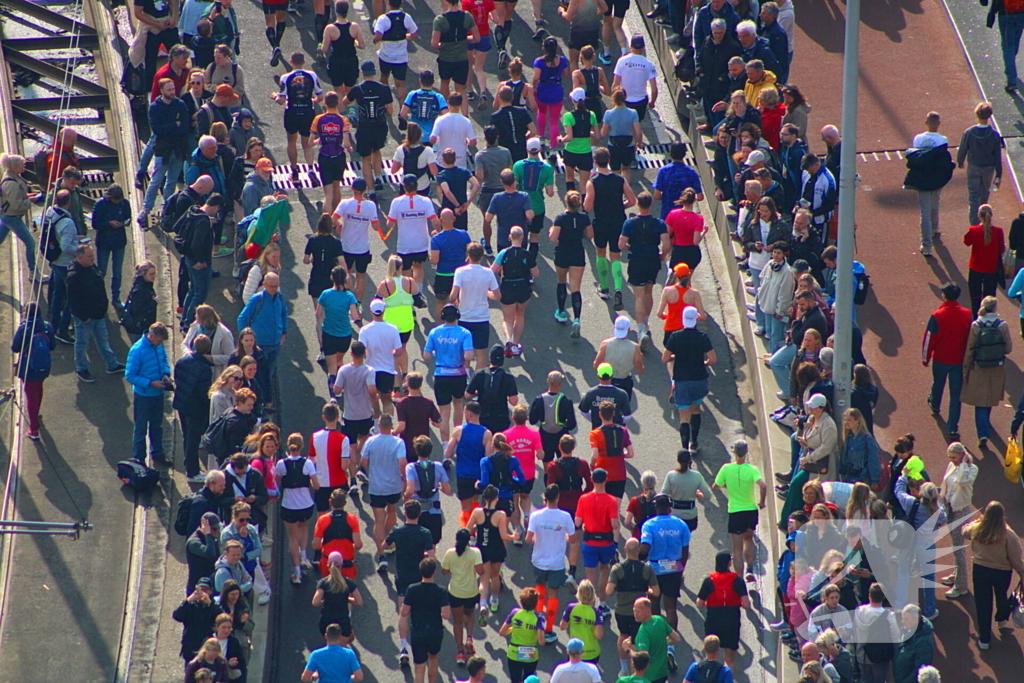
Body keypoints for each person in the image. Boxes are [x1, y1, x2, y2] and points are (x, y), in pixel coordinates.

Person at [963, 500, 1024, 649]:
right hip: (1001, 572)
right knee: (1002, 596)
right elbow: (1015, 558)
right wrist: (1022, 573)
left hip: (980, 570)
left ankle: (984, 639)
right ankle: (1002, 619)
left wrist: (976, 521)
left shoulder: (978, 529)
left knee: (983, 604)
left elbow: (965, 531)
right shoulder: (1008, 534)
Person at [526, 484, 578, 644]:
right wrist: (563, 537)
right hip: (556, 562)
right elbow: (573, 539)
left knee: (539, 589)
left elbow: (528, 539)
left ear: (544, 498)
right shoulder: (565, 516)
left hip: (538, 560)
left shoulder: (536, 515)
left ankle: (538, 623)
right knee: (553, 594)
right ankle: (548, 630)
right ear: (558, 498)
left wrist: (538, 539)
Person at [65, 243, 125, 383]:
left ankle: (112, 364)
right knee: (82, 344)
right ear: (80, 258)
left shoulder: (91, 267)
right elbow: (73, 301)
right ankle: (81, 368)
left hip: (98, 314)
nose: (93, 258)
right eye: (90, 256)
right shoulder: (74, 276)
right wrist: (84, 317)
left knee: (103, 340)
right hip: (86, 318)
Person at [922, 281, 972, 441]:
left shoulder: (937, 316)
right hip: (958, 359)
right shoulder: (967, 314)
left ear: (944, 296)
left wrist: (926, 358)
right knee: (956, 395)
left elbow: (929, 339)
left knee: (938, 383)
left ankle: (935, 404)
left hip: (941, 358)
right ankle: (953, 427)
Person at [584, 148, 634, 307]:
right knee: (616, 256)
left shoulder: (592, 182)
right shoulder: (620, 180)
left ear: (595, 162)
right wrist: (621, 206)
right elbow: (632, 201)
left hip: (601, 222)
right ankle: (618, 287)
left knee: (600, 253)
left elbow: (587, 207)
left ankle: (604, 287)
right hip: (618, 220)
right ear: (609, 160)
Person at [662, 306, 715, 451]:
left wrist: (675, 356)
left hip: (682, 381)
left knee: (684, 417)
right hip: (699, 380)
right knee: (696, 409)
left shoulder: (675, 336)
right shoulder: (702, 337)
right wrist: (704, 363)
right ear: (696, 319)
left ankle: (685, 450)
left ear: (683, 319)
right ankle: (695, 443)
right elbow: (712, 359)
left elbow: (665, 358)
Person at [713, 440, 766, 582]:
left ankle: (740, 580)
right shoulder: (752, 469)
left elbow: (715, 486)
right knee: (749, 539)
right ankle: (750, 569)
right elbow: (763, 485)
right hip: (750, 510)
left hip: (735, 511)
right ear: (746, 452)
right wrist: (762, 502)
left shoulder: (726, 468)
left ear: (734, 452)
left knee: (736, 549)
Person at [962, 296, 1011, 448]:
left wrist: (966, 368)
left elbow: (970, 349)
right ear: (995, 308)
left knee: (980, 401)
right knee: (990, 396)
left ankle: (982, 432)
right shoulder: (1002, 325)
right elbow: (1008, 349)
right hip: (996, 366)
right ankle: (986, 424)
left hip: (979, 366)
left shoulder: (976, 325)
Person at [620, 191, 670, 339]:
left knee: (639, 296)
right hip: (652, 259)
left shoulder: (629, 223)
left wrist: (631, 247)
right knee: (649, 291)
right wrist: (662, 255)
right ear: (651, 204)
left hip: (637, 259)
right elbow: (666, 244)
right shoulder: (659, 223)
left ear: (637, 204)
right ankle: (647, 323)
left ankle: (641, 329)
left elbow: (621, 244)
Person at [605, 538, 659, 675]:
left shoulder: (617, 568)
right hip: (640, 611)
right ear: (639, 550)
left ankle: (623, 668)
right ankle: (636, 669)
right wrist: (648, 591)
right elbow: (656, 592)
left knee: (623, 636)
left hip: (621, 610)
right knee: (637, 640)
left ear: (625, 550)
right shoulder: (647, 568)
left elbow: (608, 591)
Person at [905, 111, 955, 257]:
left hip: (921, 179)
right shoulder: (942, 140)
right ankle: (934, 228)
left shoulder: (918, 139)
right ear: (938, 124)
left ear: (925, 123)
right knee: (935, 202)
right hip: (937, 178)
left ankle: (926, 245)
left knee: (924, 211)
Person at [361, 413, 406, 568]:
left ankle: (381, 555)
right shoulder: (399, 442)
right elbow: (402, 463)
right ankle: (389, 541)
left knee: (378, 520)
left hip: (376, 487)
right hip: (394, 485)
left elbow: (364, 462)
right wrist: (405, 478)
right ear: (391, 426)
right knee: (392, 511)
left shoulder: (371, 441)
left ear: (379, 426)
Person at [388, 176, 441, 306]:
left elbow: (390, 223)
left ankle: (409, 298)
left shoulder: (397, 202)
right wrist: (438, 232)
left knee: (406, 271)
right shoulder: (425, 200)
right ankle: (419, 293)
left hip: (404, 244)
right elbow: (435, 220)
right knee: (418, 266)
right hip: (421, 243)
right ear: (417, 186)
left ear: (404, 186)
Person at [276, 433, 321, 585]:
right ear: (302, 446)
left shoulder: (281, 464)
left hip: (289, 506)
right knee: (304, 527)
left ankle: (296, 572)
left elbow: (277, 484)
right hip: (306, 505)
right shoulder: (308, 463)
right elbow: (316, 485)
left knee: (292, 537)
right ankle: (304, 555)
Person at [343, 61, 395, 194]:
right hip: (380, 125)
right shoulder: (384, 88)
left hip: (364, 127)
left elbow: (345, 102)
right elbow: (390, 111)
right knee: (376, 150)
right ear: (374, 71)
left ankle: (371, 190)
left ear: (362, 73)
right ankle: (378, 177)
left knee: (365, 158)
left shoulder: (357, 89)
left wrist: (353, 110)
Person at [575, 468, 620, 615]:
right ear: (606, 479)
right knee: (604, 570)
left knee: (590, 576)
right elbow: (615, 525)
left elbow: (578, 522)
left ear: (592, 480)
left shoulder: (584, 498)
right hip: (606, 543)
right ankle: (602, 603)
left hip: (589, 542)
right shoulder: (611, 501)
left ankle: (589, 605)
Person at [468, 482, 516, 613]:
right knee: (495, 576)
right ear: (497, 498)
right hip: (496, 549)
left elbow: (467, 529)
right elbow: (503, 535)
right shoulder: (500, 514)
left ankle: (483, 604)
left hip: (482, 549)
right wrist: (514, 536)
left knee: (484, 578)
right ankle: (494, 601)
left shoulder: (477, 512)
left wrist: (476, 527)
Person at [400, 557, 451, 683]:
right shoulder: (441, 591)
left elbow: (404, 612)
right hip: (435, 631)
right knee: (433, 658)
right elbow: (446, 615)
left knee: (419, 667)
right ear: (434, 572)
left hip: (418, 631)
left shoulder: (412, 589)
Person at [696, 551, 750, 669]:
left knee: (711, 657)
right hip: (732, 620)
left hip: (713, 620)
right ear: (729, 564)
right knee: (729, 659)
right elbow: (747, 604)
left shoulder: (709, 580)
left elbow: (699, 604)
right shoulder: (737, 580)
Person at [550, 190, 592, 337]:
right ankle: (577, 319)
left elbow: (553, 238)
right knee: (576, 288)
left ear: (566, 202)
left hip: (562, 252)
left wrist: (551, 230)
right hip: (577, 252)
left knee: (561, 281)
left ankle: (561, 311)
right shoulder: (584, 218)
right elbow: (590, 235)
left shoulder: (560, 218)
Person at [452, 242, 501, 369]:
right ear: (482, 256)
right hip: (482, 318)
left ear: (468, 255)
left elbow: (453, 295)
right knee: (481, 354)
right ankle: (478, 382)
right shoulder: (488, 273)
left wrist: (455, 301)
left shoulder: (460, 272)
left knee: (464, 352)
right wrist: (486, 292)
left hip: (464, 317)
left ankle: (465, 377)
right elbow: (497, 296)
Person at [491, 226, 537, 356]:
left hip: (507, 287)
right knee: (520, 316)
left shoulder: (504, 253)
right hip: (523, 287)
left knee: (507, 319)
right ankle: (516, 345)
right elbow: (536, 273)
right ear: (522, 238)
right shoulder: (527, 255)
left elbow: (492, 270)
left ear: (510, 237)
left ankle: (508, 340)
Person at [175, 334, 215, 479]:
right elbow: (204, 393)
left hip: (181, 403)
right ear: (208, 349)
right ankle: (192, 471)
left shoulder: (182, 361)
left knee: (187, 436)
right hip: (195, 409)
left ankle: (189, 465)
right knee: (193, 440)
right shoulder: (205, 368)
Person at [441, 527, 483, 663]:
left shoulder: (450, 553)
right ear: (468, 541)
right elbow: (481, 571)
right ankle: (469, 638)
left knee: (457, 621)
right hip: (471, 592)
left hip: (455, 592)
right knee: (470, 614)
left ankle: (460, 652)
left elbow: (444, 571)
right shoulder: (475, 552)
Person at [957, 102, 1004, 224]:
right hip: (988, 168)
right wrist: (999, 175)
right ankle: (984, 222)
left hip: (973, 167)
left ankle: (974, 225)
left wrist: (960, 161)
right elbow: (997, 156)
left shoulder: (969, 132)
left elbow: (963, 149)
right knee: (984, 195)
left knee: (973, 197)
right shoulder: (994, 134)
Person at [318, 266, 360, 397]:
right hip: (344, 336)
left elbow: (318, 313)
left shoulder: (325, 294)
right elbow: (355, 317)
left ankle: (333, 396)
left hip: (329, 334)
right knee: (339, 361)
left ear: (332, 278)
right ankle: (340, 388)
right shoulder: (349, 296)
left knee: (331, 369)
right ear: (345, 279)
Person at [360, 299, 405, 416]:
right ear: (384, 311)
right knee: (387, 401)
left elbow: (361, 351)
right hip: (388, 370)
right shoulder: (393, 329)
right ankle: (388, 427)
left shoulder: (365, 330)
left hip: (371, 371)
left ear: (371, 312)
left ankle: (375, 424)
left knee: (372, 399)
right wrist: (391, 354)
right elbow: (399, 351)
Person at [513, 137, 556, 257]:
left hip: (521, 206)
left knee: (521, 235)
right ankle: (531, 261)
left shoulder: (518, 165)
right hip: (538, 207)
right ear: (540, 149)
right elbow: (550, 193)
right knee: (534, 236)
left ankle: (520, 260)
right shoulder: (547, 168)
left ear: (526, 149)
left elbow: (514, 186)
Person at [432, 0, 480, 108]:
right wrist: (465, 39)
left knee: (444, 83)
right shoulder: (467, 16)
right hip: (462, 60)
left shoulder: (440, 20)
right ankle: (464, 114)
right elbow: (477, 38)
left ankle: (445, 111)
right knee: (461, 89)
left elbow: (434, 44)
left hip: (446, 59)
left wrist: (443, 45)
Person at [375, 0, 420, 109]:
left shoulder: (383, 19)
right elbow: (414, 34)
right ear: (402, 4)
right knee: (400, 84)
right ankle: (402, 109)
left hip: (385, 56)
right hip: (401, 58)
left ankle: (385, 105)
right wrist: (406, 37)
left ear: (388, 3)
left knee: (384, 78)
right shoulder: (406, 17)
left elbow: (377, 37)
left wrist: (376, 40)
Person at [626, 596, 682, 683]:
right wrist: (662, 643)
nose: (635, 614)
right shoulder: (659, 619)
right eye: (634, 610)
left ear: (648, 612)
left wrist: (628, 649)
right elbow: (676, 638)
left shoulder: (643, 631)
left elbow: (642, 659)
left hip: (649, 677)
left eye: (638, 611)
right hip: (663, 672)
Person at [466, 344, 519, 434]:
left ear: (490, 357)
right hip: (501, 418)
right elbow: (513, 401)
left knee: (484, 442)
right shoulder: (508, 377)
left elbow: (467, 395)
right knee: (499, 444)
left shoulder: (479, 374)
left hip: (483, 416)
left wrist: (478, 393)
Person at [313, 488, 362, 583]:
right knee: (347, 591)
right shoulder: (352, 519)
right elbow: (358, 545)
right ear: (345, 503)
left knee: (328, 590)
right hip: (347, 563)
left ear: (330, 502)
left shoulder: (323, 519)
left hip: (328, 562)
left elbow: (315, 545)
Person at [964, 204, 1006, 316]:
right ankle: (988, 318)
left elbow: (966, 242)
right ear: (991, 215)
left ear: (979, 216)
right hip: (992, 269)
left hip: (975, 268)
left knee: (975, 297)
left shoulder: (974, 230)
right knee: (989, 297)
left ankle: (975, 319)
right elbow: (1001, 249)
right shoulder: (998, 231)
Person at [499, 587, 546, 683]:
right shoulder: (538, 618)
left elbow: (502, 632)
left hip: (514, 653)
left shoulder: (515, 613)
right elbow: (541, 641)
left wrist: (514, 629)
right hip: (530, 654)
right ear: (536, 604)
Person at [529, 371, 578, 464]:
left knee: (547, 465)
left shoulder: (539, 399)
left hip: (545, 436)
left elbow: (532, 420)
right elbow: (572, 424)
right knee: (563, 465)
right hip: (561, 436)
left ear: (547, 381)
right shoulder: (566, 400)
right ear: (560, 384)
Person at [594, 316, 644, 402]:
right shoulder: (635, 347)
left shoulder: (605, 344)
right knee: (624, 406)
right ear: (628, 329)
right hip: (625, 382)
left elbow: (596, 365)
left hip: (608, 381)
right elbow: (640, 370)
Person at [589, 402, 633, 500]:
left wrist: (592, 466)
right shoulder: (623, 430)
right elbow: (630, 454)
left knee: (602, 508)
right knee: (615, 510)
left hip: (602, 474)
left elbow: (595, 455)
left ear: (600, 414)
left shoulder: (595, 433)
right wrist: (622, 454)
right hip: (619, 474)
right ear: (613, 413)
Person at [662, 449, 712, 532]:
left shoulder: (671, 475)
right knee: (686, 539)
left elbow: (664, 494)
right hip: (690, 515)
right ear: (690, 461)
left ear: (678, 460)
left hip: (674, 514)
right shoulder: (697, 476)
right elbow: (708, 495)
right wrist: (698, 494)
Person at [612, 36, 657, 122]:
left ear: (631, 46)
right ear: (643, 47)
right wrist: (652, 102)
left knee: (624, 125)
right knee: (636, 125)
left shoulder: (621, 61)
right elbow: (654, 89)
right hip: (641, 101)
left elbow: (615, 85)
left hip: (624, 100)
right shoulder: (648, 64)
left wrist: (615, 101)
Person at [174, 577, 220, 662]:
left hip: (208, 648)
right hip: (191, 647)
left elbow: (221, 619)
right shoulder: (190, 605)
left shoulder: (214, 606)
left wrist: (210, 604)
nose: (203, 592)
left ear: (211, 591)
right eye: (200, 589)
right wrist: (188, 601)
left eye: (206, 590)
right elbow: (177, 616)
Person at [653, 142, 704, 221]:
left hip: (667, 215)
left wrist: (667, 196)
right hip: (685, 217)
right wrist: (688, 199)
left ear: (670, 153)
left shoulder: (663, 171)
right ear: (684, 154)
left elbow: (656, 195)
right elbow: (700, 197)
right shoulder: (691, 173)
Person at [533, 37, 570, 142]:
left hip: (543, 91)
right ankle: (554, 144)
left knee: (541, 112)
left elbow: (536, 78)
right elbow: (566, 74)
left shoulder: (539, 62)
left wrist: (534, 88)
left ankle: (541, 137)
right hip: (557, 92)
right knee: (554, 120)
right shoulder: (562, 60)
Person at [601, 89, 642, 180]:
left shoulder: (608, 113)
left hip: (613, 145)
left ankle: (617, 189)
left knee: (615, 170)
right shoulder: (633, 113)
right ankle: (626, 189)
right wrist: (638, 143)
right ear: (625, 98)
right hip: (629, 144)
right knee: (626, 169)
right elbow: (638, 132)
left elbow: (603, 133)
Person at [491, 85, 536, 165]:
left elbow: (493, 138)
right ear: (512, 97)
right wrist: (523, 138)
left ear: (499, 98)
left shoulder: (495, 116)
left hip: (505, 152)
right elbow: (533, 131)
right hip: (521, 150)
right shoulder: (522, 111)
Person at [437, 148, 480, 231]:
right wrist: (468, 202)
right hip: (462, 208)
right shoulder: (464, 171)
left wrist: (457, 206)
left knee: (447, 233)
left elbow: (447, 191)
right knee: (462, 233)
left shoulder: (442, 175)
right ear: (455, 159)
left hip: (448, 209)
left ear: (443, 160)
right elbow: (476, 185)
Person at [893, 605, 935, 683]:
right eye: (902, 618)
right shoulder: (910, 629)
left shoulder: (923, 643)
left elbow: (919, 672)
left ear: (916, 620)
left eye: (906, 619)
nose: (902, 621)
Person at [432, 97, 477, 168]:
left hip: (443, 161)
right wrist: (467, 140)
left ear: (448, 103)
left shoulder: (440, 120)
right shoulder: (466, 121)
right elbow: (473, 142)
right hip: (460, 161)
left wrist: (438, 139)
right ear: (460, 104)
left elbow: (432, 139)